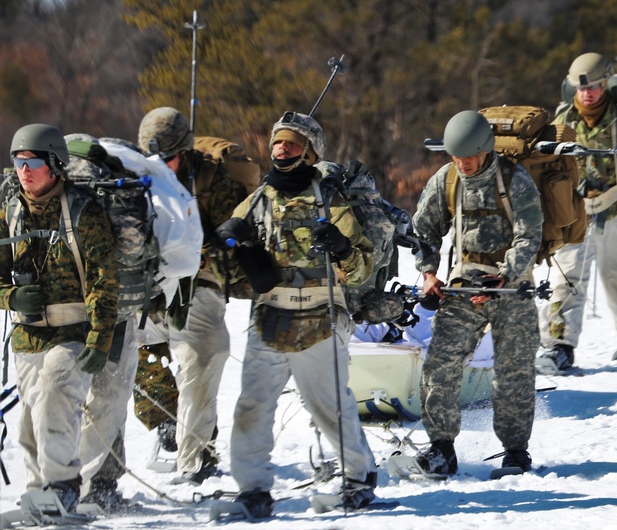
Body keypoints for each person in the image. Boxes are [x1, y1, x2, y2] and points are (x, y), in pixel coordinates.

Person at [218, 111, 379, 515]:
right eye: (276, 143)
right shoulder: (258, 198)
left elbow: (362, 269)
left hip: (320, 316)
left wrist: (341, 247)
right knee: (252, 405)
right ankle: (252, 489)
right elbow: (229, 237)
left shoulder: (330, 198)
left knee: (328, 404)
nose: (281, 150)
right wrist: (230, 239)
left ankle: (358, 478)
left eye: (290, 144)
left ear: (308, 152)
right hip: (270, 317)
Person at [411, 110, 542, 476]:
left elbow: (529, 235)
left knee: (513, 372)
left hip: (512, 287)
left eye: (468, 157)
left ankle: (516, 451)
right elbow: (423, 231)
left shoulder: (516, 181)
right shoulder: (447, 179)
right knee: (440, 364)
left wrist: (504, 277)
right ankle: (441, 447)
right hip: (463, 283)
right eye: (456, 157)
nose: (463, 164)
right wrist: (429, 273)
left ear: (486, 150)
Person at [0, 124, 118, 513]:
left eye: (32, 162)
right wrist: (11, 296)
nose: (24, 171)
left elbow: (104, 279)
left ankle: (63, 485)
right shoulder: (11, 209)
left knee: (55, 389)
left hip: (76, 333)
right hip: (28, 334)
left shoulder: (84, 210)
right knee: (31, 420)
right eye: (18, 162)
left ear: (54, 164)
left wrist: (100, 339)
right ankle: (40, 493)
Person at [136, 107, 248, 484]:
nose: (159, 166)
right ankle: (164, 421)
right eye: (152, 158)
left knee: (203, 354)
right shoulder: (133, 176)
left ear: (183, 152)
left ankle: (197, 456)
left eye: (166, 158)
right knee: (114, 348)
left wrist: (205, 243)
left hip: (198, 279)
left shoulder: (212, 180)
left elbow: (229, 240)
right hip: (144, 282)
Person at [537, 53, 617, 370]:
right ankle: (558, 346)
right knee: (566, 275)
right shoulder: (563, 119)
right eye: (581, 88)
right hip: (574, 208)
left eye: (593, 86)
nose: (587, 93)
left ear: (604, 83)